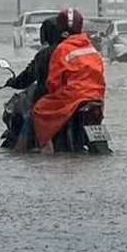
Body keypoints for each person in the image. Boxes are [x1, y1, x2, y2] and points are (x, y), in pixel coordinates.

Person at [33, 8, 106, 154]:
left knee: (38, 111)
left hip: (73, 97)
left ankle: (47, 150)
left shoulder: (62, 49)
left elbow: (53, 82)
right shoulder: (91, 47)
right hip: (97, 97)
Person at [2, 17, 65, 151]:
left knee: (30, 119)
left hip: (51, 101)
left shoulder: (45, 54)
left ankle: (22, 150)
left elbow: (27, 77)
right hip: (82, 98)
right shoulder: (76, 51)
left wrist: (13, 82)